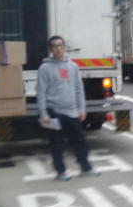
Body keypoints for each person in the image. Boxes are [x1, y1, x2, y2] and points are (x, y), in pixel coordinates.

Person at [37, 35, 100, 181]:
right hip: (54, 112)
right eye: (54, 46)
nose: (58, 48)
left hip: (72, 111)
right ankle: (61, 172)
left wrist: (82, 109)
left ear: (64, 48)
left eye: (60, 45)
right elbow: (41, 92)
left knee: (80, 141)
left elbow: (79, 88)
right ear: (50, 49)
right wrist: (43, 113)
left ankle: (86, 168)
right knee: (57, 144)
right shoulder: (44, 68)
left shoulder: (73, 66)